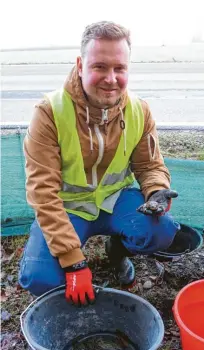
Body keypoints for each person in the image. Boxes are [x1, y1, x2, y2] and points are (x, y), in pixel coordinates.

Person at [19, 21, 180, 306]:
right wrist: (73, 262)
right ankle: (66, 264)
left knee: (161, 230)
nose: (111, 78)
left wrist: (156, 190)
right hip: (68, 208)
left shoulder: (139, 110)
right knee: (40, 276)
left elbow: (150, 165)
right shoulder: (49, 112)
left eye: (119, 68)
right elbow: (42, 194)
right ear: (80, 65)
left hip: (114, 201)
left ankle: (116, 254)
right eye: (100, 67)